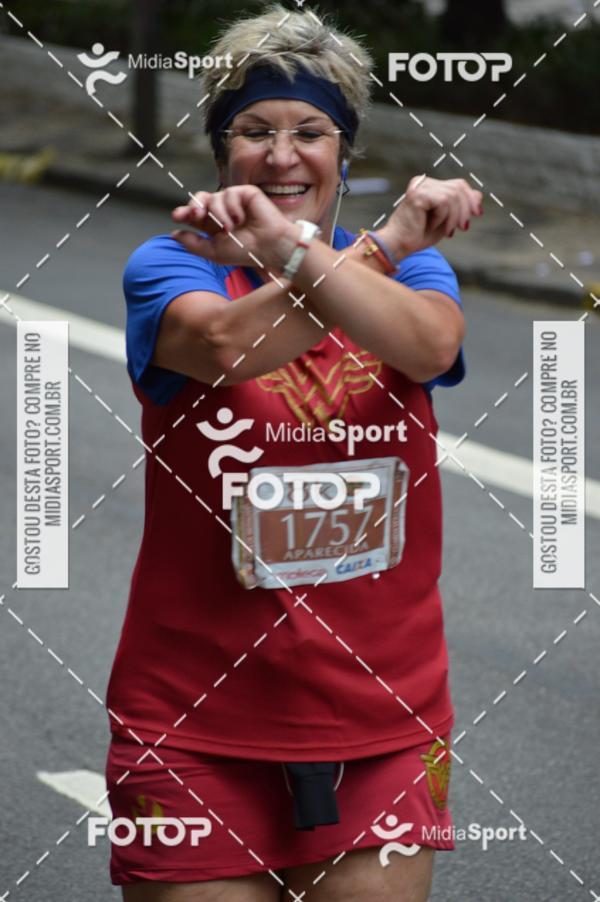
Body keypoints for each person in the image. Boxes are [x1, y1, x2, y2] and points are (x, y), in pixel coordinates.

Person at [104, 3, 482, 900]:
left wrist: (311, 251)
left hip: (383, 717)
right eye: (255, 131)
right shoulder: (173, 265)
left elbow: (427, 347)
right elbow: (230, 347)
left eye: (311, 131)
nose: (282, 156)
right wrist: (364, 245)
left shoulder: (416, 272)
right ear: (221, 150)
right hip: (191, 722)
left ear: (343, 154)